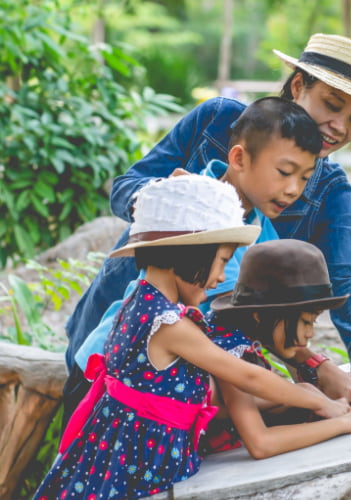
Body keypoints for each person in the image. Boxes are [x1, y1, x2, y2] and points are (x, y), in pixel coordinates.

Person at [64, 33, 351, 413]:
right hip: (116, 322)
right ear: (297, 86)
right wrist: (169, 202)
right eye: (332, 105)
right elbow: (126, 186)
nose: (340, 127)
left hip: (198, 364)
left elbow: (344, 275)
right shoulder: (218, 120)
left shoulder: (327, 192)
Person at [34, 176, 351, 500]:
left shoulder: (140, 303)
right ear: (190, 253)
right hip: (128, 477)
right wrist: (330, 409)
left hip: (125, 464)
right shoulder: (168, 323)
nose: (219, 278)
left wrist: (305, 393)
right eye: (222, 260)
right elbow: (248, 376)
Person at [61, 96, 321, 425]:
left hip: (155, 383)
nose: (293, 188)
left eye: (305, 178)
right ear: (239, 157)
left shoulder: (263, 236)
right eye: (284, 172)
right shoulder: (189, 214)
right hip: (106, 381)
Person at [200, 239, 351, 458]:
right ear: (261, 315)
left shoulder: (228, 332)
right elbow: (261, 444)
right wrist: (348, 422)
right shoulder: (230, 351)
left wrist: (308, 395)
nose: (310, 334)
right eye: (306, 322)